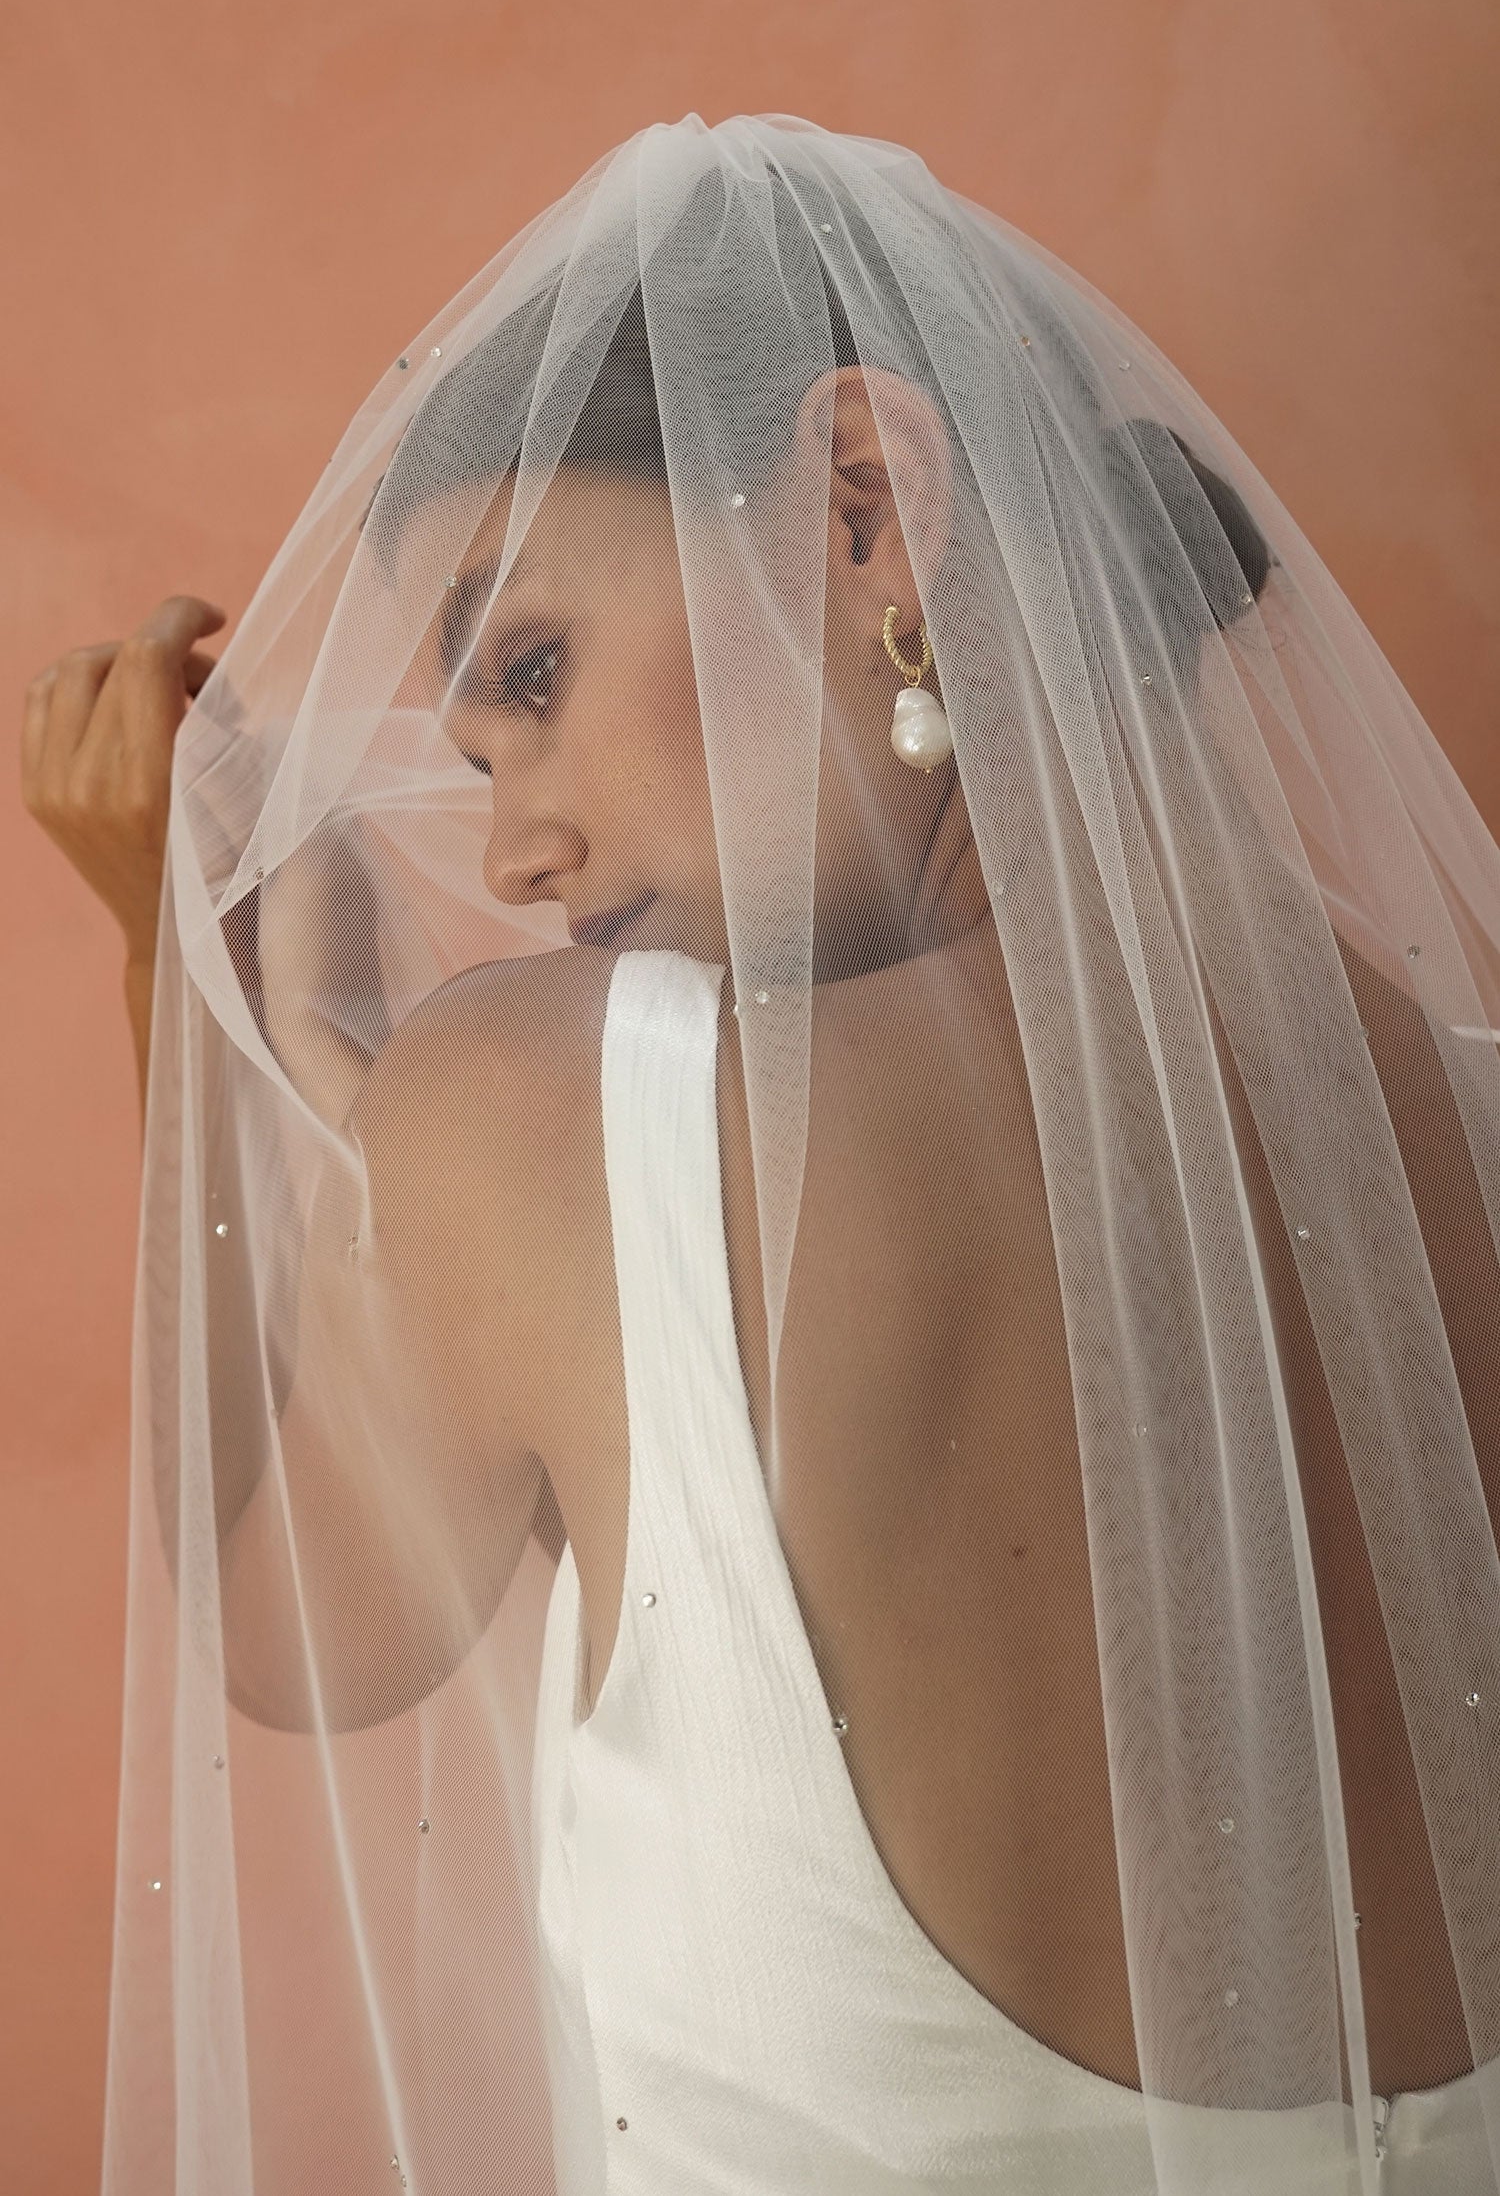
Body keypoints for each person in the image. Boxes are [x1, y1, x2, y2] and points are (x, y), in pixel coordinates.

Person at [22, 114, 1500, 2193]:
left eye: (529, 671)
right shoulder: (1471, 1109)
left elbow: (295, 1625)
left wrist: (185, 987)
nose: (517, 852)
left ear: (866, 504)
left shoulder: (537, 1119)